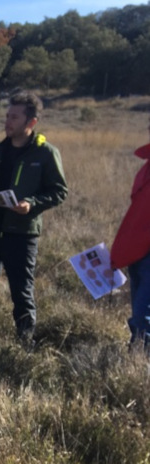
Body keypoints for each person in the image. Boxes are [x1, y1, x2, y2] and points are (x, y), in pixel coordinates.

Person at [0, 91, 68, 343]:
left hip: (22, 233)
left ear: (31, 122)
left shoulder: (45, 154)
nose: (8, 121)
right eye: (7, 116)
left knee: (21, 290)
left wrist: (31, 204)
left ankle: (24, 341)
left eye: (14, 117)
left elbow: (59, 191)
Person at [110, 114, 150, 349]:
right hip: (139, 251)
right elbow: (137, 215)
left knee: (144, 315)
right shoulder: (145, 169)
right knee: (139, 309)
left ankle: (141, 365)